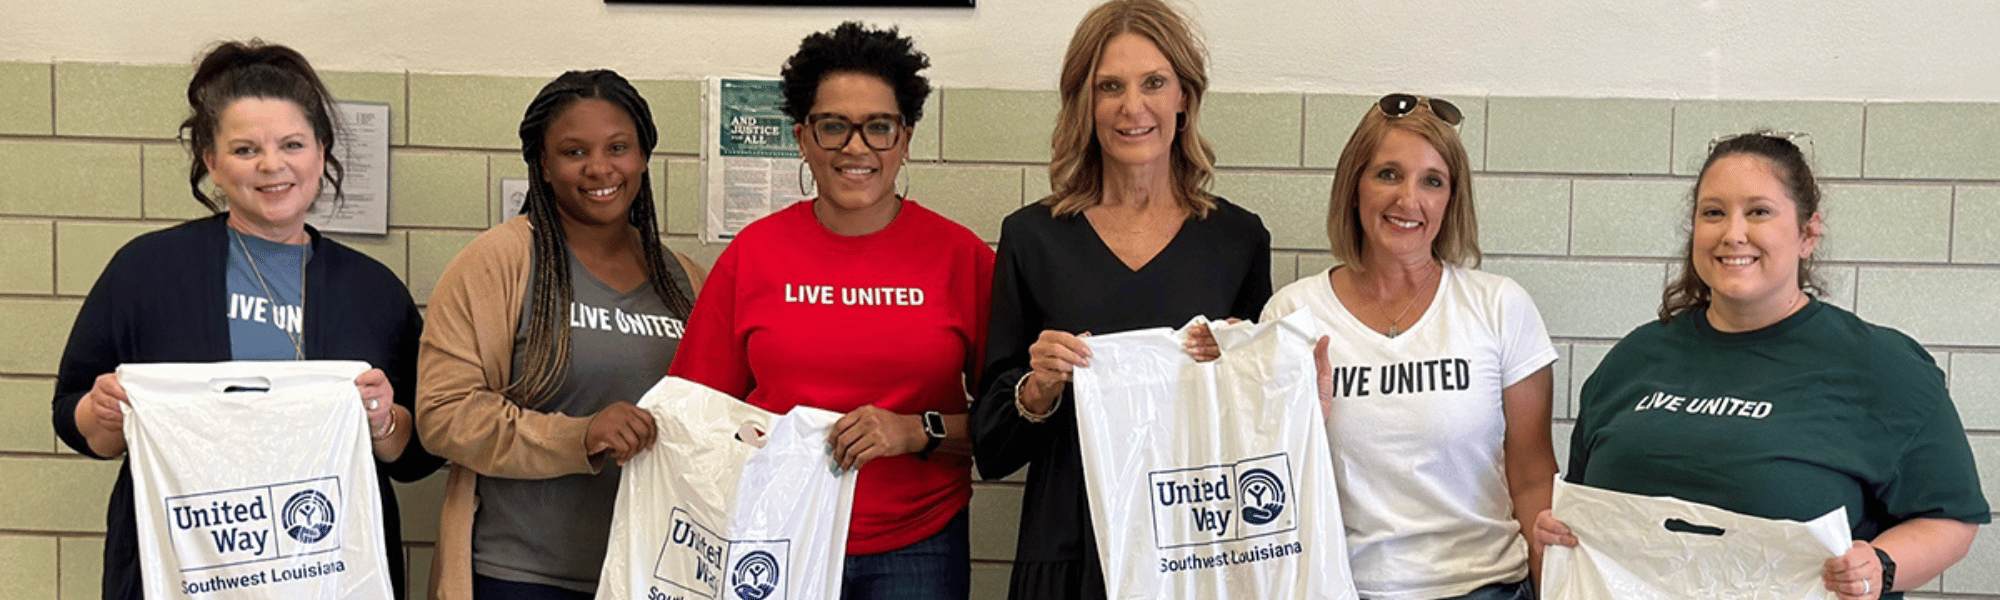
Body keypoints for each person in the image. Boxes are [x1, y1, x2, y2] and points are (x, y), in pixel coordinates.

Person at [49, 39, 441, 600]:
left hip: (325, 570)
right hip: (182, 569)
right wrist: (103, 412)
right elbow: (73, 416)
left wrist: (384, 422)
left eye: (292, 144)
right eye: (245, 149)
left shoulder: (372, 291)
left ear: (322, 153)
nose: (272, 165)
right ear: (210, 161)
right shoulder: (146, 271)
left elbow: (420, 450)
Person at [1535, 133, 1989, 600]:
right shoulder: (1633, 359)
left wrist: (1879, 567)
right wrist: (1562, 531)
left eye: (1758, 212)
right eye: (1713, 213)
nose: (1733, 233)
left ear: (1808, 233)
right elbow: (1587, 503)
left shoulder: (1884, 367)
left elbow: (1949, 517)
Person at [667, 22, 991, 600]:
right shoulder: (754, 255)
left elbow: (1007, 428)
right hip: (771, 535)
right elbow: (697, 413)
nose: (856, 147)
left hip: (916, 544)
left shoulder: (959, 258)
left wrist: (917, 431)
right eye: (833, 126)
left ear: (906, 137)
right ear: (803, 137)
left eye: (879, 127)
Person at [968, 1, 1272, 597]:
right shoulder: (1034, 238)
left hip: (1194, 551)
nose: (1133, 108)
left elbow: (1261, 432)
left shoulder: (1237, 241)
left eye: (1153, 83)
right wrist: (1038, 389)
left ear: (1184, 96)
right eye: (1110, 86)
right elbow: (992, 446)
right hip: (1067, 546)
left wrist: (1239, 365)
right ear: (1086, 102)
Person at [415, 70, 706, 600]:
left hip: (656, 574)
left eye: (618, 147)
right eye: (575, 152)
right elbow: (443, 416)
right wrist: (581, 435)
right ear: (543, 166)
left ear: (643, 156)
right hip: (521, 574)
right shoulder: (499, 262)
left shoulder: (684, 279)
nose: (600, 168)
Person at [1262, 94, 1557, 600]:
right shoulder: (1293, 315)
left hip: (1486, 586)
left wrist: (1556, 586)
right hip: (1346, 587)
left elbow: (1533, 480)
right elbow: (1267, 481)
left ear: (1451, 199)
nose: (1408, 200)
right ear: (1354, 187)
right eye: (1388, 175)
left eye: (1432, 181)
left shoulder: (1500, 306)